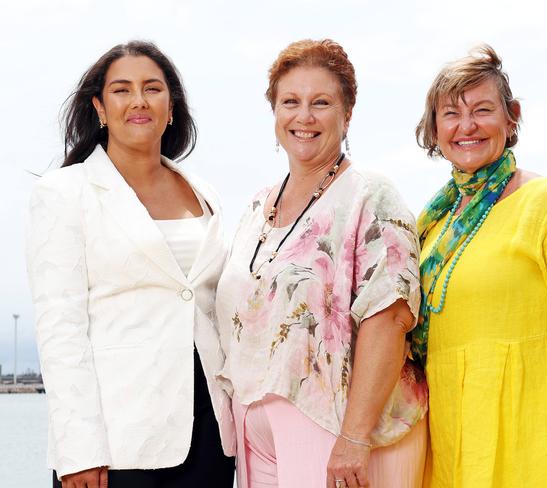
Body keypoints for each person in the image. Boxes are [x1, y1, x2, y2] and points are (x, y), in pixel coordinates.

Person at [412, 44, 547, 488]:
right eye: (451, 113)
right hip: (446, 451)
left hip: (531, 450)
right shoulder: (431, 224)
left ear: (511, 117)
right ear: (434, 129)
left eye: (482, 109)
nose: (467, 126)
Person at [214, 39, 428, 488]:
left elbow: (389, 317)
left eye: (321, 102)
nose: (304, 116)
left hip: (331, 422)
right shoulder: (256, 206)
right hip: (252, 425)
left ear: (347, 114)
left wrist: (354, 437)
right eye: (290, 101)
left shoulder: (370, 194)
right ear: (274, 113)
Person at [26, 41, 235, 487]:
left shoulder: (205, 193)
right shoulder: (65, 193)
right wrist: (78, 450)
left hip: (210, 433)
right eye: (122, 90)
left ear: (172, 107)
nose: (139, 100)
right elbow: (61, 331)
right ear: (100, 108)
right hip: (118, 442)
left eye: (152, 88)